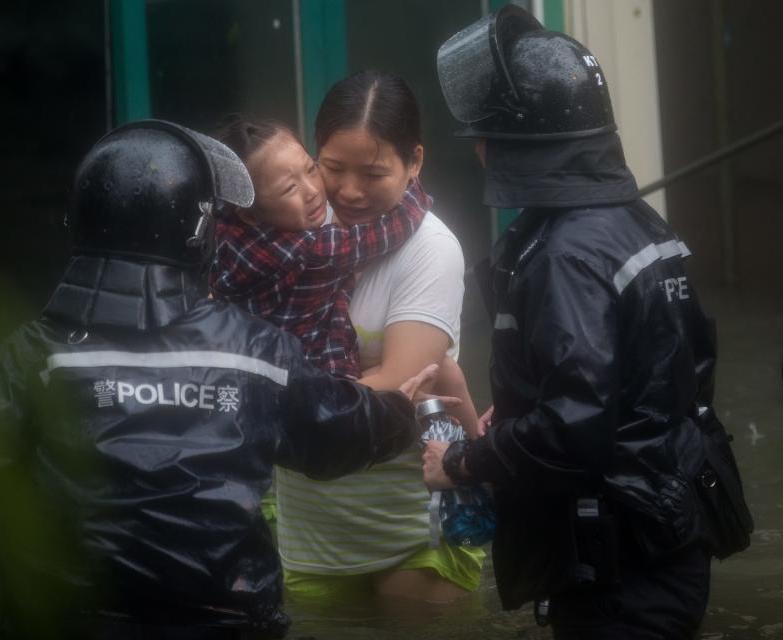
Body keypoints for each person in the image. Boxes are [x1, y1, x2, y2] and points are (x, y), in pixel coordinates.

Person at [0, 120, 446, 640]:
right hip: (226, 619)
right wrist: (400, 410)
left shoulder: (35, 356)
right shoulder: (257, 353)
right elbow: (339, 435)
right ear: (201, 231)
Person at [424, 6, 745, 637]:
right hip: (671, 527)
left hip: (620, 561)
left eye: (484, 138)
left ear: (517, 145)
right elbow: (666, 381)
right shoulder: (642, 225)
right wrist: (522, 412)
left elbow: (575, 429)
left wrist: (466, 461)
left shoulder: (566, 254)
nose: (482, 152)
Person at [274, 70, 485, 603]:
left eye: (373, 173)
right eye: (333, 168)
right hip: (307, 528)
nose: (348, 191)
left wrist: (270, 398)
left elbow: (398, 383)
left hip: (410, 529)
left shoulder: (430, 250)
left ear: (414, 162)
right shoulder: (291, 238)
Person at [210, 115, 428, 379]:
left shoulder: (225, 230)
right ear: (249, 213)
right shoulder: (306, 251)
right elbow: (389, 231)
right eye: (290, 188)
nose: (312, 190)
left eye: (311, 169)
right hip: (309, 382)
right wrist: (409, 181)